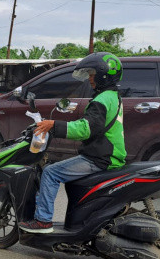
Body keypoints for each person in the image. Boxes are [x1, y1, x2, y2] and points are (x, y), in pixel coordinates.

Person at [19, 52, 127, 233]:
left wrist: (54, 125)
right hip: (108, 154)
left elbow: (86, 129)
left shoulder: (102, 100)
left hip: (100, 158)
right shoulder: (113, 96)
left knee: (51, 172)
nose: (90, 79)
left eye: (92, 75)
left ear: (104, 74)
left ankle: (43, 221)